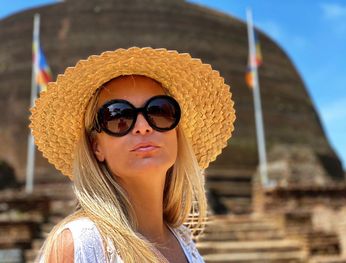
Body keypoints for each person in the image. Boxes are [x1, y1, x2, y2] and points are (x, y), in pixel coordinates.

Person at [29, 47, 236, 263]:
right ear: (96, 146)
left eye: (159, 111)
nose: (143, 127)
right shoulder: (80, 243)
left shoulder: (184, 240)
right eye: (119, 116)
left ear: (176, 132)